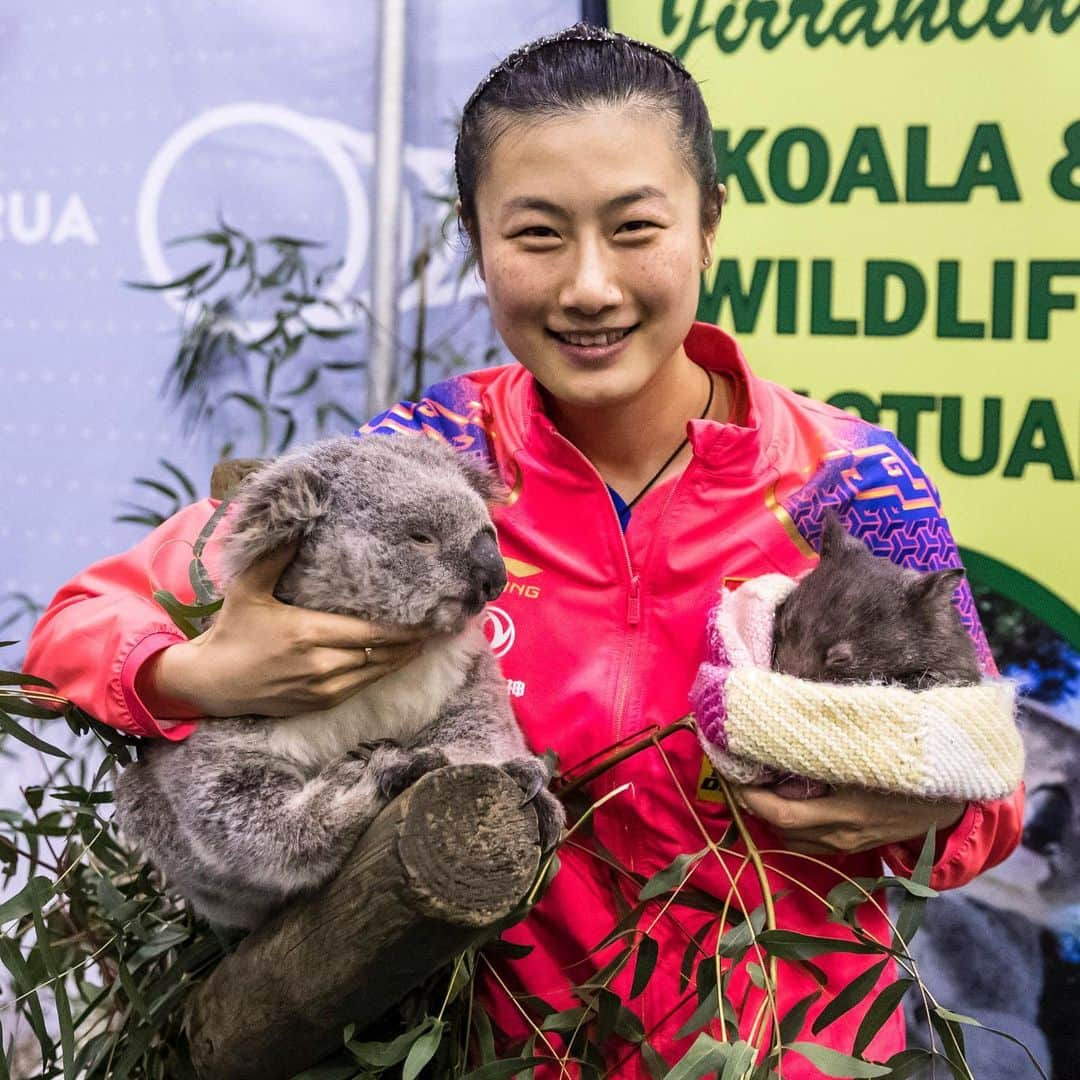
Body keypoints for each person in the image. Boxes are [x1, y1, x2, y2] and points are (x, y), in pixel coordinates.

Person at [26, 23, 1023, 1079]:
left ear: (708, 225)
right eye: (538, 234)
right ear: (475, 235)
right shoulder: (414, 470)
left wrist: (930, 808)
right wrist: (197, 670)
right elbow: (71, 636)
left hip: (785, 1048)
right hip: (485, 1045)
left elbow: (988, 786)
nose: (589, 285)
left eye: (636, 228)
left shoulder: (853, 483)